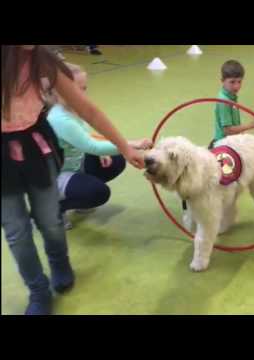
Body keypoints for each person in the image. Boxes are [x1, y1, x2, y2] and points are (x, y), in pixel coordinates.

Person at [1, 45, 145, 315]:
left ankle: (59, 262)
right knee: (16, 231)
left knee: (50, 220)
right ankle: (38, 291)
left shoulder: (43, 61)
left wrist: (124, 146)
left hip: (35, 147)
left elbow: (88, 110)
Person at [46, 63, 152, 229]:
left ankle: (76, 194)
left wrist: (122, 146)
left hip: (73, 165)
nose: (82, 95)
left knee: (114, 161)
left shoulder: (74, 109)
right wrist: (131, 146)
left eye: (84, 89)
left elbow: (89, 136)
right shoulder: (60, 118)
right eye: (77, 90)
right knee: (98, 192)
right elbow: (91, 146)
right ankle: (52, 209)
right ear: (60, 89)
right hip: (55, 176)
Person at [212, 60, 254, 147]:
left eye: (239, 81)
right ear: (222, 81)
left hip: (232, 140)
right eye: (232, 82)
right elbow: (228, 130)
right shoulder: (224, 101)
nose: (237, 86)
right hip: (224, 144)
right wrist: (250, 125)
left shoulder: (231, 96)